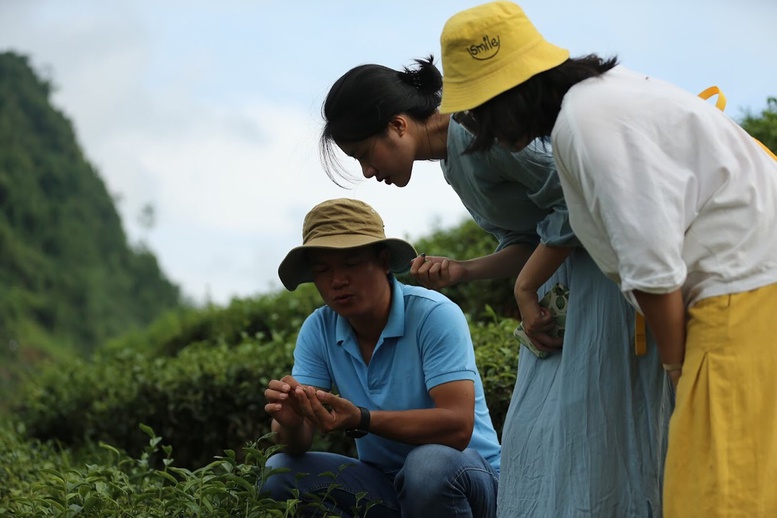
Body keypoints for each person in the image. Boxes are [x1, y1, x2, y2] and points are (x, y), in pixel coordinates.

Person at [437, 1, 777, 517]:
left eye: (474, 111)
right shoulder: (604, 99)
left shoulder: (587, 124)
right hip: (744, 286)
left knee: (720, 496)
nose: (474, 128)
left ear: (506, 97)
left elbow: (654, 269)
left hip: (746, 290)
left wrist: (676, 370)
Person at [320, 56, 672, 516]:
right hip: (567, 288)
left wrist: (526, 291)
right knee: (553, 434)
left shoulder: (478, 130)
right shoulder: (451, 159)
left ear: (399, 126)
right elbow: (529, 238)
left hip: (605, 284)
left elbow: (578, 197)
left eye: (365, 154)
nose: (368, 172)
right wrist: (464, 269)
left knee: (601, 426)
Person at [263, 198, 501, 517]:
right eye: (322, 270)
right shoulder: (318, 329)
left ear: (384, 260)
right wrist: (290, 423)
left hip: (469, 479)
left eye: (351, 264)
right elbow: (295, 443)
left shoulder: (434, 315)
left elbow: (458, 426)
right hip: (386, 485)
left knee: (427, 467)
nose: (337, 281)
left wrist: (362, 418)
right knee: (278, 473)